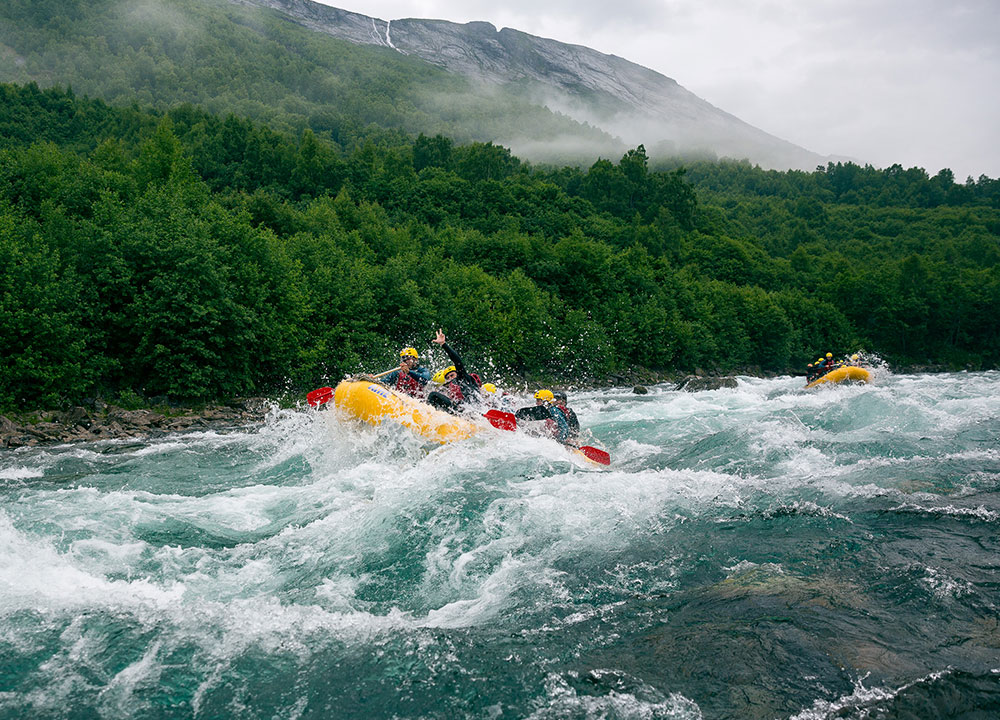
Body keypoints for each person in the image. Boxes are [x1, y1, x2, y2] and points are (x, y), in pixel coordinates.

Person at [426, 329, 482, 413]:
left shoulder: (463, 378)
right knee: (433, 395)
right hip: (461, 411)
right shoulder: (450, 389)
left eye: (452, 375)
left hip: (474, 409)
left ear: (457, 373)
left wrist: (443, 344)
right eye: (447, 377)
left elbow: (457, 361)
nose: (450, 378)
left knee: (433, 395)